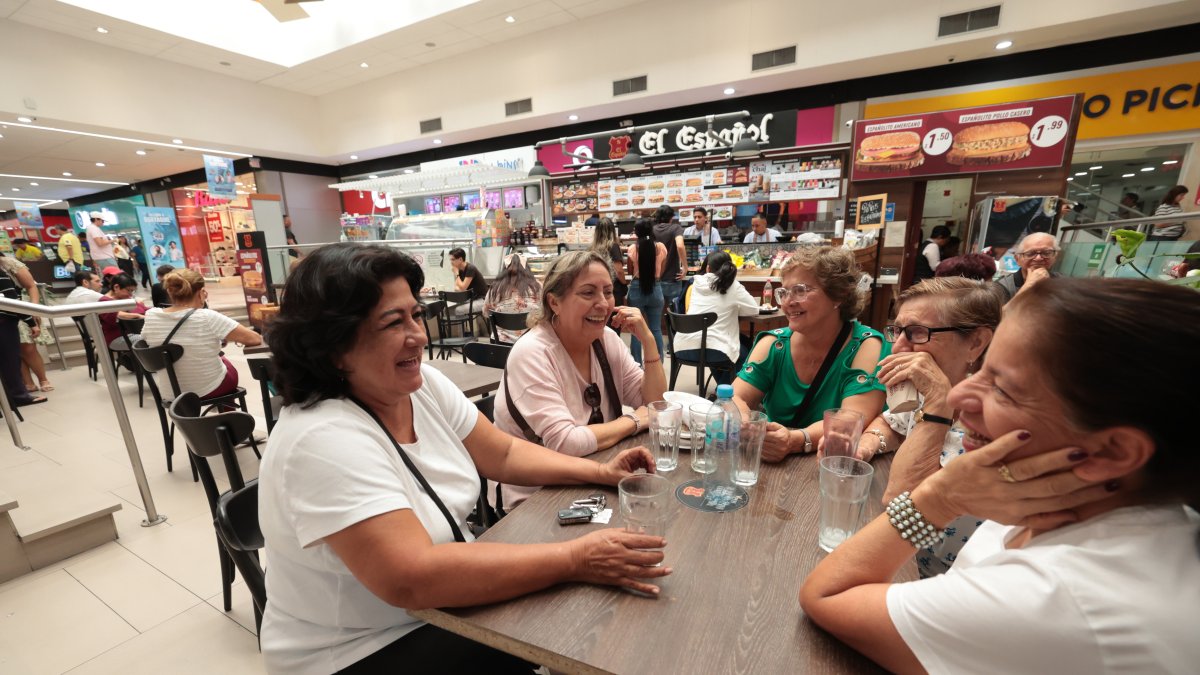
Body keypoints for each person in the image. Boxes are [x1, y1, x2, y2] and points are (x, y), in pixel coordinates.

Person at [258, 244, 667, 673]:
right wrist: (575, 559)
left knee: (595, 619)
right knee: (587, 630)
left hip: (442, 612)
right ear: (333, 346)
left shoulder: (422, 386)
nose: (419, 335)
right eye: (393, 322)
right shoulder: (322, 439)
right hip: (363, 647)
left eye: (415, 315)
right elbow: (411, 578)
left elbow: (504, 453)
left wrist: (600, 472)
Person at [799, 277, 1200, 674]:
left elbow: (826, 593)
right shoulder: (1059, 500)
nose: (958, 396)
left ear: (1114, 452)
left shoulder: (1055, 597)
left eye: (1003, 388)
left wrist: (940, 497)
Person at [494, 250, 668, 510]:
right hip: (537, 497)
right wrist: (633, 420)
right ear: (554, 302)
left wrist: (650, 343)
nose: (603, 303)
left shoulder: (606, 339)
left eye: (608, 292)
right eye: (588, 293)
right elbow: (565, 444)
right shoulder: (533, 352)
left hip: (599, 475)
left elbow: (655, 405)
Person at [857, 278, 1001, 577]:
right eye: (896, 330)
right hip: (903, 558)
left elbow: (899, 502)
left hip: (951, 582)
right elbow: (892, 422)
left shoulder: (996, 422)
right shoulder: (927, 386)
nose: (897, 346)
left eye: (917, 332)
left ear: (976, 343)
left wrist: (938, 402)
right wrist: (870, 442)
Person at [733, 247, 888, 462]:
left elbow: (849, 422)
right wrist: (744, 422)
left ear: (839, 295)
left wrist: (795, 440)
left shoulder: (867, 346)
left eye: (800, 290)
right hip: (773, 465)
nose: (788, 301)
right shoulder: (773, 344)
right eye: (784, 292)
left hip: (835, 465)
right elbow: (734, 396)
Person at [139, 269, 262, 399]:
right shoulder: (206, 317)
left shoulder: (151, 316)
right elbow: (254, 338)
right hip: (208, 389)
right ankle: (226, 416)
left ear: (170, 292)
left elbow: (145, 341)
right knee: (223, 360)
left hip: (170, 393)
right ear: (201, 293)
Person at [673, 250, 759, 386]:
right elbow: (754, 309)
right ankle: (724, 391)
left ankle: (721, 388)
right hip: (714, 349)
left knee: (716, 341)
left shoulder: (696, 284)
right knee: (743, 352)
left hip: (683, 347)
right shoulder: (733, 285)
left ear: (708, 268)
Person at [0, 253, 48, 405]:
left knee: (24, 350)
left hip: (20, 310)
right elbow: (10, 298)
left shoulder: (10, 264)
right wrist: (30, 320)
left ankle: (38, 382)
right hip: (9, 315)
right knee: (12, 357)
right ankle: (19, 393)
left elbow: (30, 285)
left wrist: (32, 310)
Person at [625, 218, 667, 365]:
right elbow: (662, 269)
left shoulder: (632, 248)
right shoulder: (660, 247)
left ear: (637, 232)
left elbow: (630, 271)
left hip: (637, 289)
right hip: (656, 288)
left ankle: (637, 364)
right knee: (655, 329)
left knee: (636, 329)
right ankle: (658, 363)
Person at [482, 253, 541, 344]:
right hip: (532, 341)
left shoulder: (495, 287)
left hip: (500, 341)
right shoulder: (537, 286)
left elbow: (486, 313)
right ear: (527, 270)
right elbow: (545, 312)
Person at [994, 232, 1060, 302]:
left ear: (1055, 256)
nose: (1038, 258)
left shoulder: (1062, 283)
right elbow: (1003, 312)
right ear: (1017, 259)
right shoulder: (1002, 287)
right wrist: (1028, 285)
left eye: (1046, 252)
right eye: (1030, 253)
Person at [97, 273, 147, 347]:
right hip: (117, 338)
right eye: (128, 290)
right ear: (116, 287)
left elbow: (142, 308)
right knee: (148, 339)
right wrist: (138, 315)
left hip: (133, 333)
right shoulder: (104, 302)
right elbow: (118, 315)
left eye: (132, 291)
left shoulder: (125, 299)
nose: (130, 294)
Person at [651, 204, 686, 311]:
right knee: (675, 313)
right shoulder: (676, 228)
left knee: (656, 315)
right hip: (673, 279)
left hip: (656, 279)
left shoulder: (652, 229)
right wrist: (685, 267)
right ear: (671, 217)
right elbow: (680, 245)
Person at [589, 217, 627, 306]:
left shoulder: (592, 248)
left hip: (598, 288)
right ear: (612, 230)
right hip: (612, 289)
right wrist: (625, 284)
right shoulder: (613, 246)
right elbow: (619, 271)